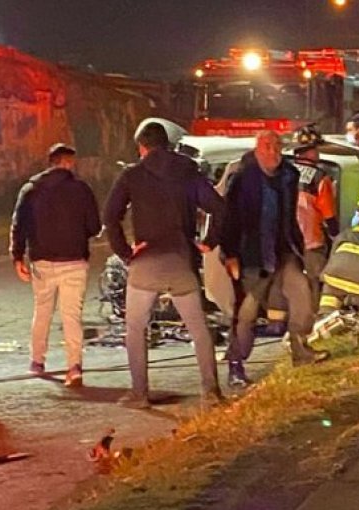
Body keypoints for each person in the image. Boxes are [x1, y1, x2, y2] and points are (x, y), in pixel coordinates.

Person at [103, 119, 226, 408]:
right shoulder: (188, 172)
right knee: (199, 329)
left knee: (135, 328)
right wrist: (208, 241)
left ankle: (139, 393)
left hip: (146, 262)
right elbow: (218, 207)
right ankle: (211, 392)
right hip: (180, 260)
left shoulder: (131, 175)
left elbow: (110, 217)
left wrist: (125, 252)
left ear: (142, 147)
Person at [222, 131, 328, 388]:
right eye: (267, 146)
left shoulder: (289, 176)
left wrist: (298, 247)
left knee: (301, 295)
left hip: (283, 250)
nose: (273, 152)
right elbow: (229, 219)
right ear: (258, 148)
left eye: (277, 146)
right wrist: (230, 254)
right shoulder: (243, 178)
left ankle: (301, 350)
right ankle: (236, 364)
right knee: (246, 312)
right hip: (253, 256)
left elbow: (289, 216)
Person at [10, 143, 101, 387]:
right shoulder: (82, 190)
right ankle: (74, 367)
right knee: (71, 315)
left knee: (42, 311)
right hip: (74, 261)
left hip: (42, 261)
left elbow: (19, 226)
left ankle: (37, 362)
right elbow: (94, 226)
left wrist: (17, 257)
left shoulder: (31, 189)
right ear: (69, 162)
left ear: (51, 162)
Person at [292, 125, 339, 312]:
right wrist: (335, 235)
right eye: (316, 149)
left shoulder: (284, 172)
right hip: (311, 240)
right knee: (316, 281)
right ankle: (314, 318)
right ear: (310, 151)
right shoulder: (320, 178)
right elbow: (328, 213)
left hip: (287, 240)